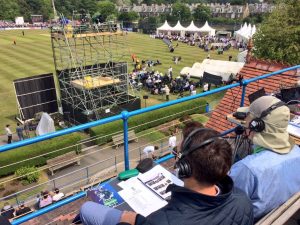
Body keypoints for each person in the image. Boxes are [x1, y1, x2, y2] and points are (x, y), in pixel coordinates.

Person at [79, 127, 253, 225]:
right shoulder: (243, 199)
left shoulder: (162, 221)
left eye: (178, 155)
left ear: (184, 168)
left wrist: (134, 220)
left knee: (86, 209)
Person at [230, 96, 300, 221]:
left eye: (248, 116)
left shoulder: (247, 169)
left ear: (256, 125)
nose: (244, 120)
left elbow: (228, 210)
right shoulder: (297, 152)